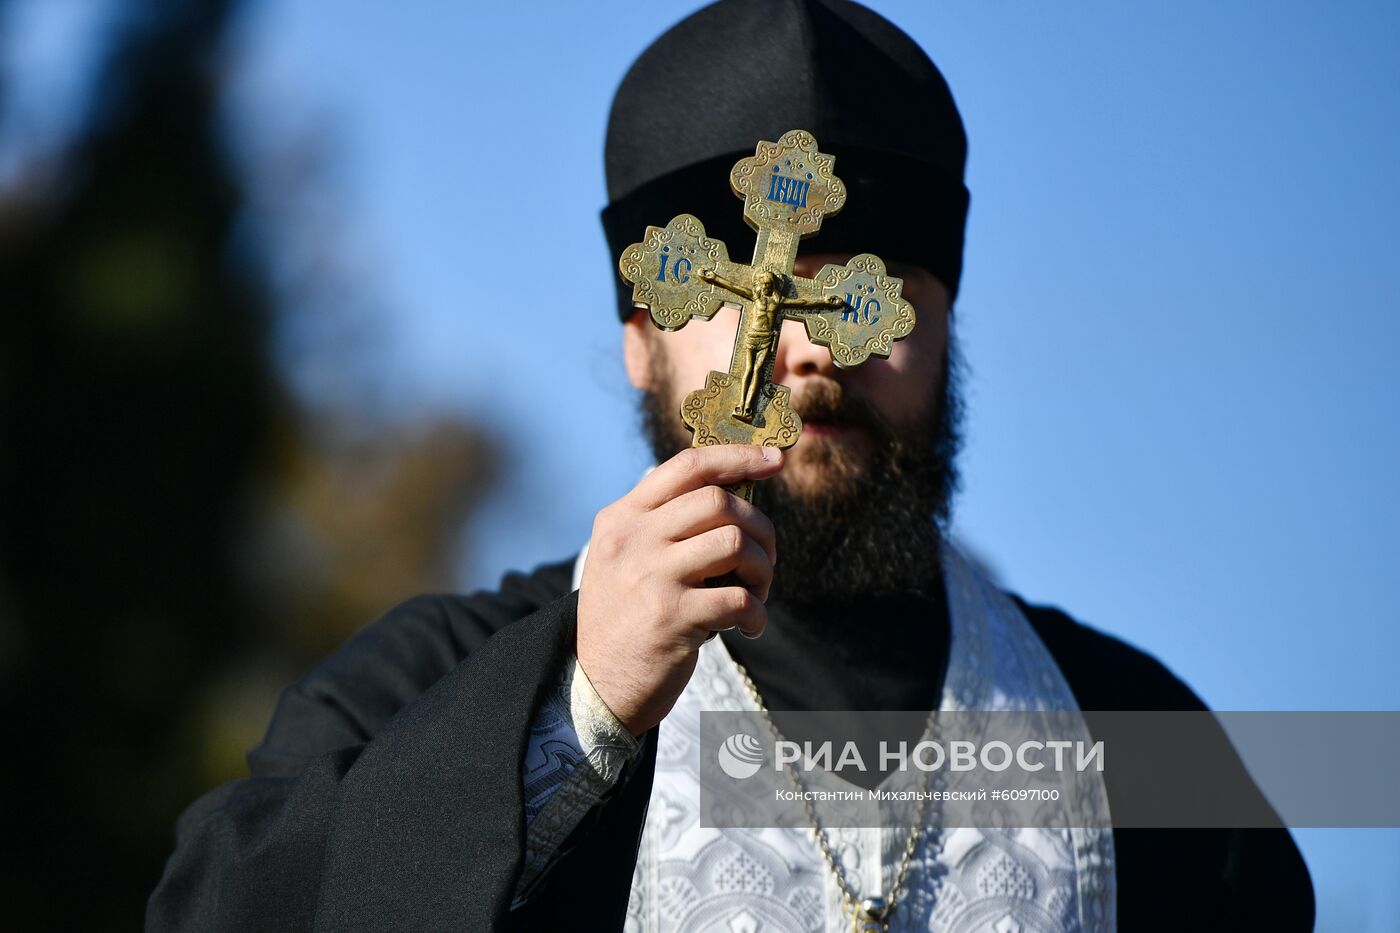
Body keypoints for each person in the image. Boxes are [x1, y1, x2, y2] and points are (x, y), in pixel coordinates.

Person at [148, 2, 1314, 931]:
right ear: (639, 338)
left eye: (864, 284)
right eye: (735, 284)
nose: (803, 338)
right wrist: (575, 713)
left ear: (947, 313)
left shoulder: (1145, 741)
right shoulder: (421, 685)